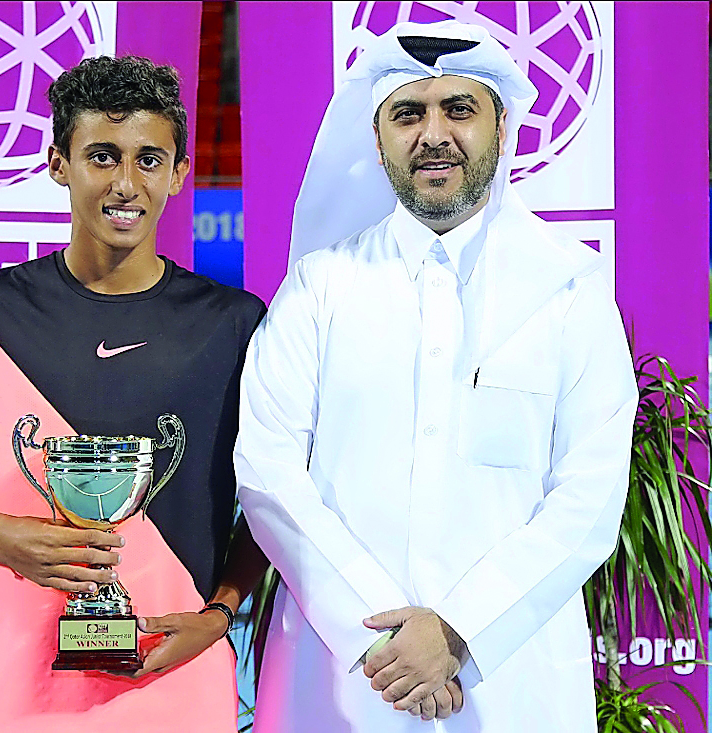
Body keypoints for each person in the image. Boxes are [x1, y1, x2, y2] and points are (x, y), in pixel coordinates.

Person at [235, 20, 636, 733]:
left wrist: (458, 631)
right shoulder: (319, 290)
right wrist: (386, 643)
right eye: (409, 113)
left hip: (513, 686)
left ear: (500, 125)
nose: (434, 133)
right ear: (379, 135)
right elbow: (267, 472)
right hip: (342, 684)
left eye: (459, 108)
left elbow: (589, 497)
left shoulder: (570, 292)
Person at [0, 55, 267, 733]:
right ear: (59, 163)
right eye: (102, 156)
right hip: (21, 691)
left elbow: (273, 503)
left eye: (149, 159)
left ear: (178, 172)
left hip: (178, 684)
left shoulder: (234, 323)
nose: (126, 183)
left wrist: (218, 616)